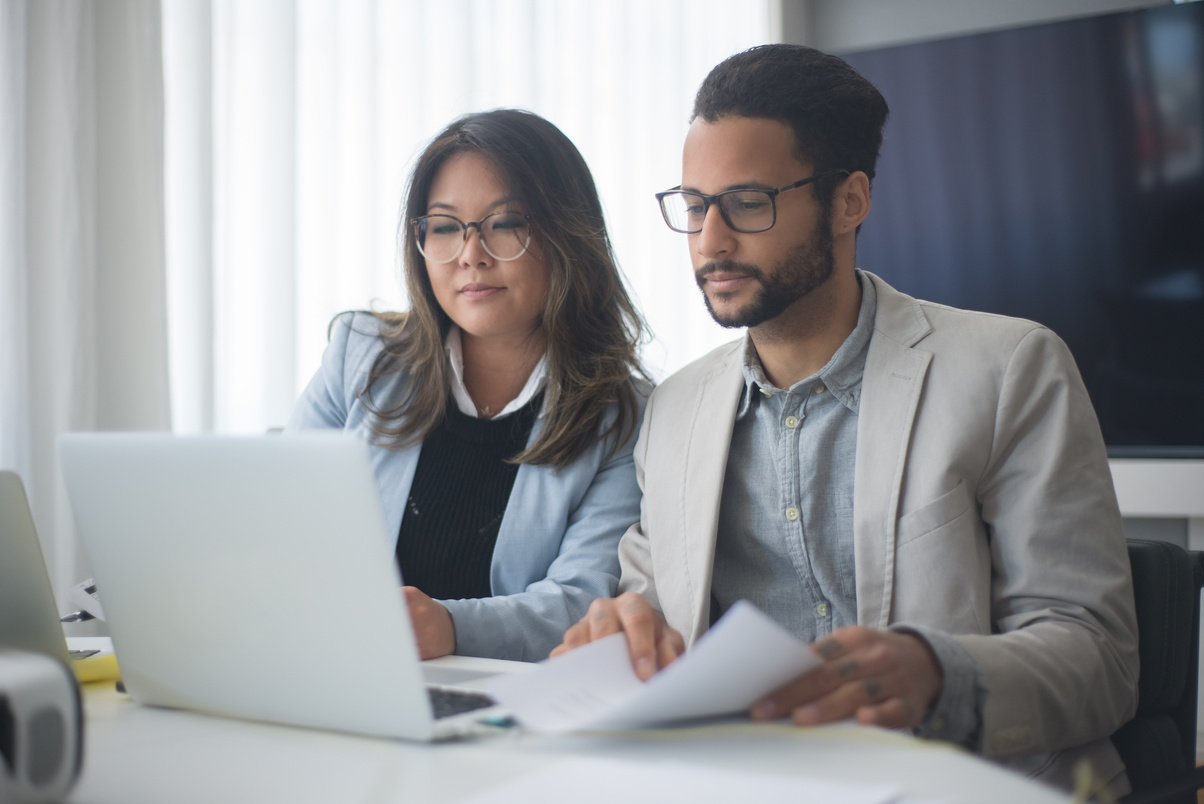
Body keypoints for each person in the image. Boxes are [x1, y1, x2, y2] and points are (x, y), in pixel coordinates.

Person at [553, 45, 1138, 793]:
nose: (710, 240)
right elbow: (650, 607)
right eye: (695, 206)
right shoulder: (674, 409)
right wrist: (619, 635)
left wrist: (936, 673)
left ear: (849, 201)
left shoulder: (1010, 368)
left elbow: (1102, 661)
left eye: (748, 202)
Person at [289, 109, 649, 663]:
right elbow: (282, 529)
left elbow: (582, 604)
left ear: (568, 235)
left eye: (506, 223)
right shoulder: (358, 357)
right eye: (445, 226)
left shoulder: (623, 417)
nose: (470, 254)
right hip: (336, 672)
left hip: (504, 709)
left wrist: (451, 626)